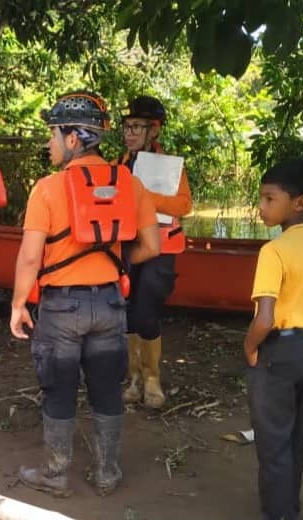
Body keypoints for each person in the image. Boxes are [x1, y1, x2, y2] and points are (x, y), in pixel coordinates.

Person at [9, 92, 159, 496]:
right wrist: (117, 265)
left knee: (59, 388)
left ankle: (56, 475)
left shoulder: (47, 188)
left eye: (53, 134)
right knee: (107, 388)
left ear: (73, 139)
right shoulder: (130, 184)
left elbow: (29, 258)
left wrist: (19, 304)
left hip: (61, 308)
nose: (49, 143)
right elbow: (152, 246)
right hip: (110, 304)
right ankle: (108, 473)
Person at [246, 158, 303, 520]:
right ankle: (289, 509)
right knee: (294, 433)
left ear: (300, 202)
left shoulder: (274, 250)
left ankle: (278, 515)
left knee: (272, 442)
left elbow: (264, 318)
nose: (262, 207)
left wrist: (250, 346)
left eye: (269, 199)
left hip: (277, 351)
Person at [116, 96, 193, 409]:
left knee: (146, 311)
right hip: (128, 245)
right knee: (127, 312)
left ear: (154, 130)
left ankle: (152, 379)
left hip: (161, 247)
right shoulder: (117, 165)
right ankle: (134, 377)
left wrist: (144, 195)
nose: (130, 132)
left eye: (137, 126)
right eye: (127, 126)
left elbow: (184, 205)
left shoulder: (172, 168)